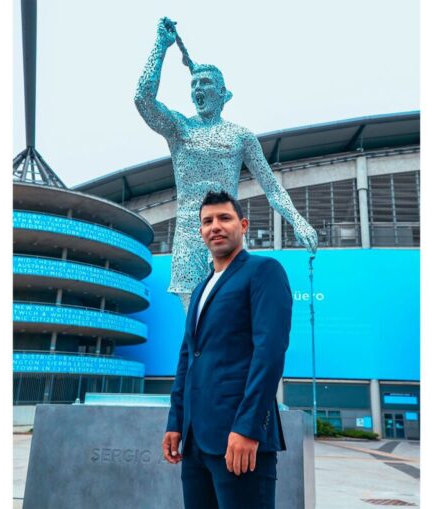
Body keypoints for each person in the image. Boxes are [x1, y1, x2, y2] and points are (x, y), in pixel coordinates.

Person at [135, 17, 317, 310]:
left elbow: (271, 186)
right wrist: (160, 47)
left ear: (223, 94)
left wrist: (298, 220)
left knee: (229, 313)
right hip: (189, 236)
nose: (197, 88)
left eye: (205, 83)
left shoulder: (240, 136)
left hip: (227, 231)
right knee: (194, 322)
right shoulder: (179, 129)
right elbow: (143, 98)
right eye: (194, 83)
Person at [162, 190, 292, 509]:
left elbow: (269, 352)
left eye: (224, 218)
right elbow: (187, 360)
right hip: (195, 443)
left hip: (239, 439)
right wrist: (176, 421)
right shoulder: (201, 287)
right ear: (201, 232)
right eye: (207, 221)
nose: (215, 226)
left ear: (243, 225)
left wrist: (248, 427)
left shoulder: (264, 271)